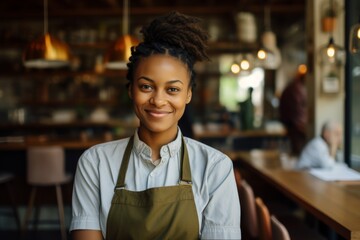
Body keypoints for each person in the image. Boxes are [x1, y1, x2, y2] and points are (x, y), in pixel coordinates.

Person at [70, 12, 241, 240]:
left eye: (172, 89)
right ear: (131, 90)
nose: (158, 100)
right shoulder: (95, 163)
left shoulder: (215, 168)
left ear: (188, 94)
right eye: (146, 87)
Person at [279, 65, 308, 156]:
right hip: (295, 128)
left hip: (292, 126)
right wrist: (303, 127)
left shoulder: (294, 87)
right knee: (298, 153)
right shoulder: (296, 89)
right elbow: (297, 112)